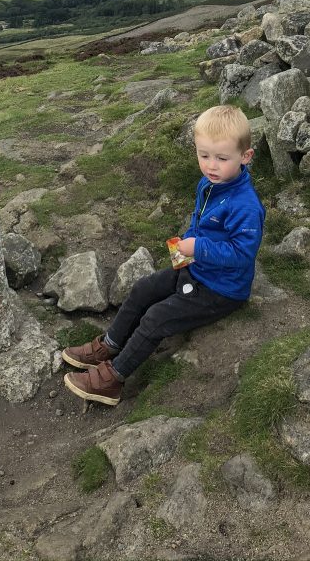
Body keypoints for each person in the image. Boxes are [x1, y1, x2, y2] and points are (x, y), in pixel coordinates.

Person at [62, 104, 265, 406]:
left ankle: (112, 379)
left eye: (222, 158)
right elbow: (199, 220)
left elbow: (242, 254)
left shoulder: (245, 206)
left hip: (222, 289)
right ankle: (111, 344)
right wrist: (186, 248)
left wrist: (197, 248)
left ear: (245, 157)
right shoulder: (209, 184)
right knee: (144, 288)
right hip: (196, 268)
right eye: (203, 155)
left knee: (157, 317)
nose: (211, 165)